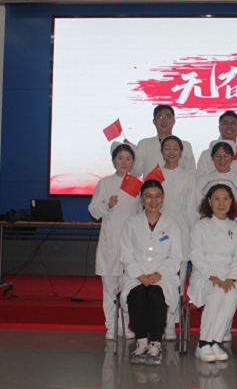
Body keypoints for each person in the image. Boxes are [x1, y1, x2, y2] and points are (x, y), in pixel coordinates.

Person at [119, 180, 183, 366]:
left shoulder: (172, 224)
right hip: (136, 274)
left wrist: (158, 274)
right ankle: (141, 342)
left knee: (157, 294)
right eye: (148, 196)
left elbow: (176, 256)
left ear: (163, 197)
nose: (153, 200)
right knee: (136, 294)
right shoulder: (131, 223)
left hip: (163, 276)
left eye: (157, 196)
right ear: (141, 198)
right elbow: (126, 254)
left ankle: (155, 343)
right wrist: (139, 275)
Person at [188, 184, 237, 362]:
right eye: (216, 199)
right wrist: (212, 276)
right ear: (209, 202)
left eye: (225, 199)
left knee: (231, 294)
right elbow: (196, 254)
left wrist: (231, 277)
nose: (221, 203)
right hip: (205, 274)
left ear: (231, 202)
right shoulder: (200, 226)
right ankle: (203, 343)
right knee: (216, 293)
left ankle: (215, 342)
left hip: (230, 275)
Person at [88, 142, 140, 340]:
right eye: (120, 158)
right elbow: (93, 210)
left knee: (129, 288)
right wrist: (107, 206)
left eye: (128, 159)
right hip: (110, 241)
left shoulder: (137, 185)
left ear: (133, 162)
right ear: (113, 161)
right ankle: (111, 325)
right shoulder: (105, 183)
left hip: (131, 243)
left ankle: (125, 325)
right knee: (110, 288)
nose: (124, 162)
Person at [159, 136, 197, 340]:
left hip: (182, 231)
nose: (171, 152)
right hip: (158, 231)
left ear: (182, 152)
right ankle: (158, 320)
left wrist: (192, 233)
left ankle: (171, 323)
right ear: (161, 152)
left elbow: (192, 208)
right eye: (167, 148)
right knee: (159, 276)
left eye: (175, 148)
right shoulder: (155, 175)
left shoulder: (189, 176)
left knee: (178, 279)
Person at [129, 105, 196, 178]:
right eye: (160, 117)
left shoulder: (185, 146)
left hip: (178, 185)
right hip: (151, 185)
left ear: (173, 121)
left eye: (167, 117)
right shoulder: (144, 144)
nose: (163, 121)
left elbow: (191, 174)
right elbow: (135, 173)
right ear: (154, 121)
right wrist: (131, 153)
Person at [195, 140, 237, 225]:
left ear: (232, 158)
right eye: (218, 156)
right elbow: (197, 206)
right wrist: (211, 219)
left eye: (226, 156)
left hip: (236, 225)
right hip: (209, 225)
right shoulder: (203, 180)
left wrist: (230, 218)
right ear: (212, 158)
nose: (222, 159)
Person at [196, 111, 237, 180]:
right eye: (225, 123)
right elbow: (201, 177)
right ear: (219, 128)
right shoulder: (207, 154)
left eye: (233, 123)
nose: (229, 126)